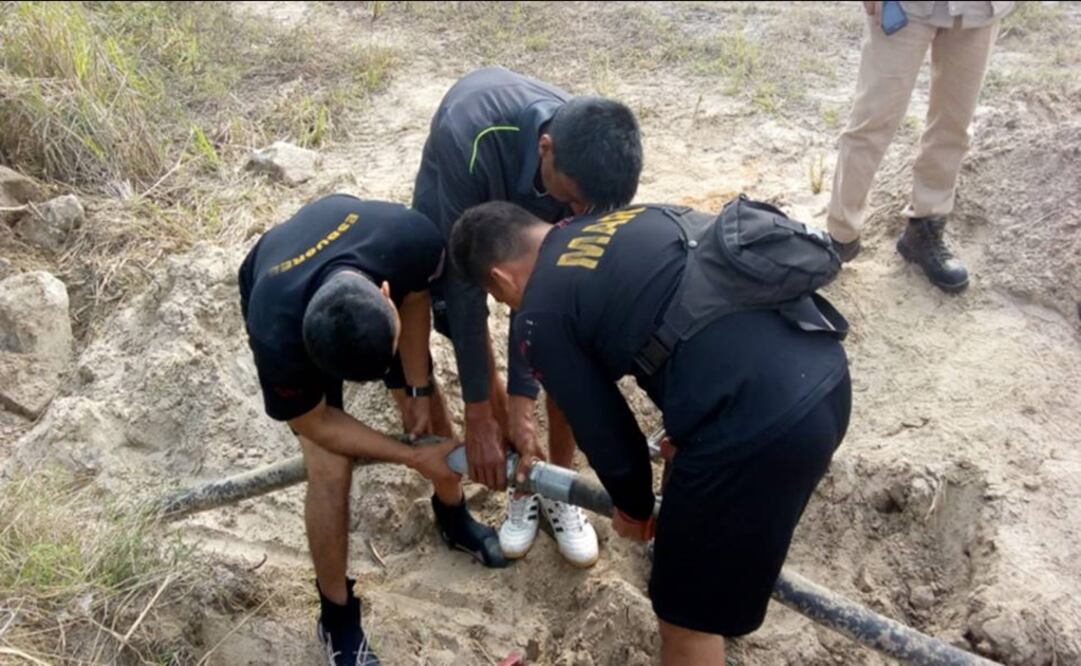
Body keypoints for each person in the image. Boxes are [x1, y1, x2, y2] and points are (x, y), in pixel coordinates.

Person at [450, 201, 851, 665]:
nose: (510, 308)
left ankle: (703, 625)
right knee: (710, 546)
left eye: (502, 302)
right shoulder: (625, 219)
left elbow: (604, 432)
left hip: (760, 430)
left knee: (683, 622)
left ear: (500, 280)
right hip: (825, 375)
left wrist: (633, 506)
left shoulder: (538, 311)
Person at [238, 194, 506, 666]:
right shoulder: (274, 331)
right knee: (329, 467)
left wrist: (418, 390)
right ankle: (336, 617)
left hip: (365, 253)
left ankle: (452, 516)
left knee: (432, 421)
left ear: (387, 294)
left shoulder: (411, 239)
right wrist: (408, 455)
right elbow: (313, 420)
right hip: (279, 283)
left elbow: (419, 296)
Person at [413, 66, 643, 566]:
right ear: (545, 151)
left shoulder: (590, 169)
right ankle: (521, 477)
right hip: (461, 194)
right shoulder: (469, 141)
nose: (579, 212)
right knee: (459, 320)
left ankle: (554, 484)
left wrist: (525, 397)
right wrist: (479, 413)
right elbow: (465, 285)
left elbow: (547, 293)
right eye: (574, 201)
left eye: (589, 207)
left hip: (533, 211)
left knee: (564, 332)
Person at [828, 0, 1015, 292]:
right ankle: (840, 235)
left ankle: (925, 228)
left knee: (953, 125)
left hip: (978, 8)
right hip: (904, 6)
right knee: (872, 120)